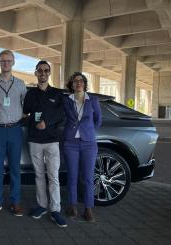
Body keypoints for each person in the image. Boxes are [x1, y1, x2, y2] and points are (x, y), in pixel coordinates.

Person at [23, 60, 67, 227]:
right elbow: (25, 112)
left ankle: (55, 210)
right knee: (39, 175)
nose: (42, 73)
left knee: (53, 176)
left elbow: (62, 115)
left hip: (52, 141)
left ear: (49, 73)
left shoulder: (57, 94)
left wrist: (46, 122)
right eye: (39, 70)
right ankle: (42, 206)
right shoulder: (30, 94)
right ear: (36, 73)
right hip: (34, 140)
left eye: (46, 70)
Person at [0, 50, 27, 216]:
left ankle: (15, 202)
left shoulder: (21, 84)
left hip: (15, 130)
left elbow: (27, 106)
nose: (6, 63)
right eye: (3, 61)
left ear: (13, 62)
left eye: (9, 60)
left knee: (15, 169)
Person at [63, 72, 102, 222]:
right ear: (71, 85)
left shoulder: (93, 100)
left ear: (85, 84)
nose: (78, 83)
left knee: (87, 177)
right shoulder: (67, 100)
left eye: (81, 81)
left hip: (88, 144)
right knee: (72, 176)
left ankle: (88, 209)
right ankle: (72, 206)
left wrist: (89, 131)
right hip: (71, 143)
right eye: (75, 81)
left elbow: (98, 120)